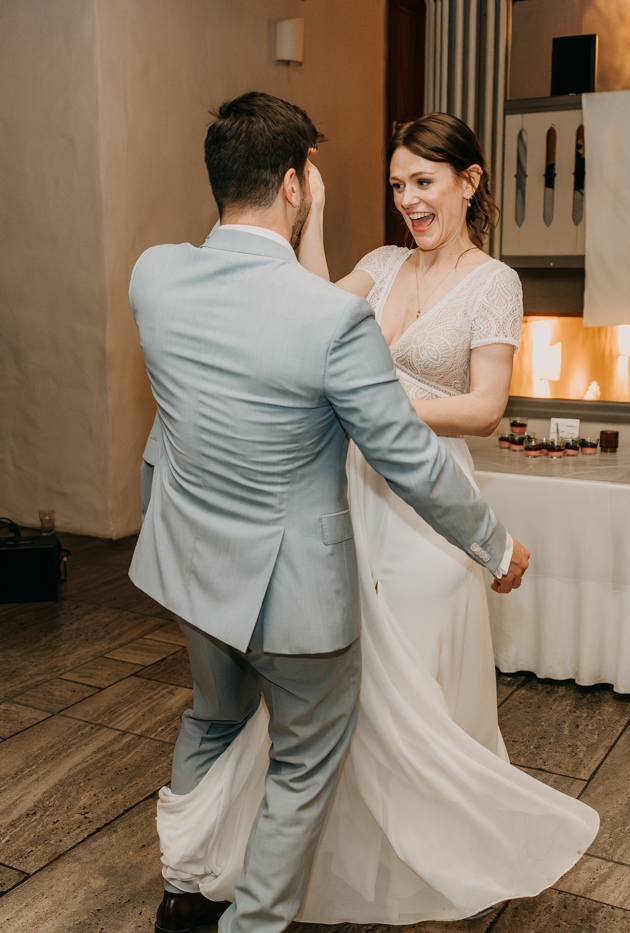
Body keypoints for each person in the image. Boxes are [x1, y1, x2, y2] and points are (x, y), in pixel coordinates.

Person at [150, 110, 599, 928]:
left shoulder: (494, 282)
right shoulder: (382, 264)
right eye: (398, 186)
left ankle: (426, 849)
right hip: (352, 494)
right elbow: (309, 315)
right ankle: (344, 858)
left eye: (424, 182)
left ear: (469, 182)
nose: (409, 201)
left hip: (429, 508)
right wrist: (316, 217)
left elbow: (485, 407)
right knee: (341, 694)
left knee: (413, 683)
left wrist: (375, 404)